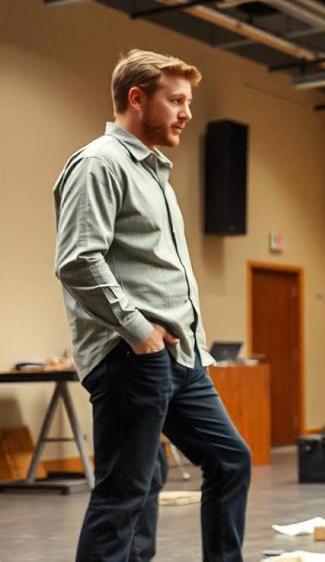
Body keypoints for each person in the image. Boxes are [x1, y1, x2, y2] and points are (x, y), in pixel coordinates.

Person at [54, 50, 251, 562]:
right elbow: (77, 260)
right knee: (124, 495)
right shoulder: (100, 163)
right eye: (177, 100)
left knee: (231, 462)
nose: (187, 112)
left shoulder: (154, 173)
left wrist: (194, 346)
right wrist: (139, 331)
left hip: (178, 358)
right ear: (137, 99)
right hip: (132, 357)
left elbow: (165, 273)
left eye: (189, 101)